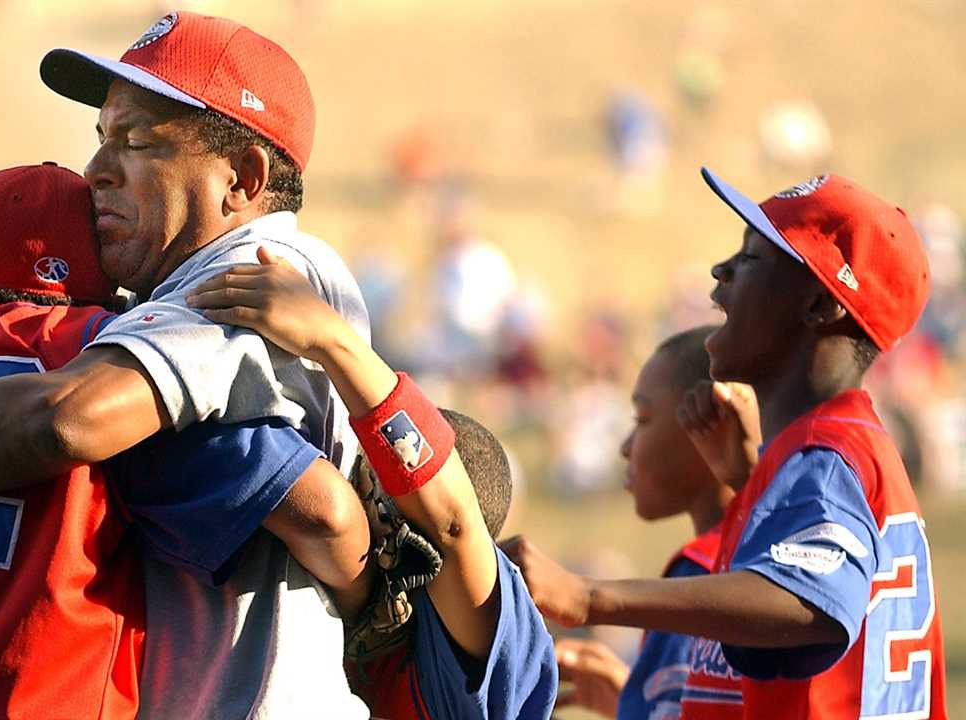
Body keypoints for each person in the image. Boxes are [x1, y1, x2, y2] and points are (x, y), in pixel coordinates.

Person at [0, 11, 374, 718]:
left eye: (138, 140)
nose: (97, 172)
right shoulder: (140, 311)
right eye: (101, 139)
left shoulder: (262, 269)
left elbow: (66, 419)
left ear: (242, 178)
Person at [509, 169, 948, 720]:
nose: (720, 271)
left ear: (820, 305)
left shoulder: (827, 454)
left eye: (752, 258)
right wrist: (750, 484)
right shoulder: (839, 445)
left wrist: (588, 596)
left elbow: (808, 602)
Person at [188, 248, 559, 718]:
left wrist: (332, 340)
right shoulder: (371, 617)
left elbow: (450, 524)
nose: (363, 504)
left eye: (381, 501)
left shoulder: (490, 657)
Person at [502, 325, 743, 719]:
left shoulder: (702, 575)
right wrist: (629, 699)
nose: (627, 446)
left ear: (712, 424)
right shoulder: (752, 561)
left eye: (643, 418)